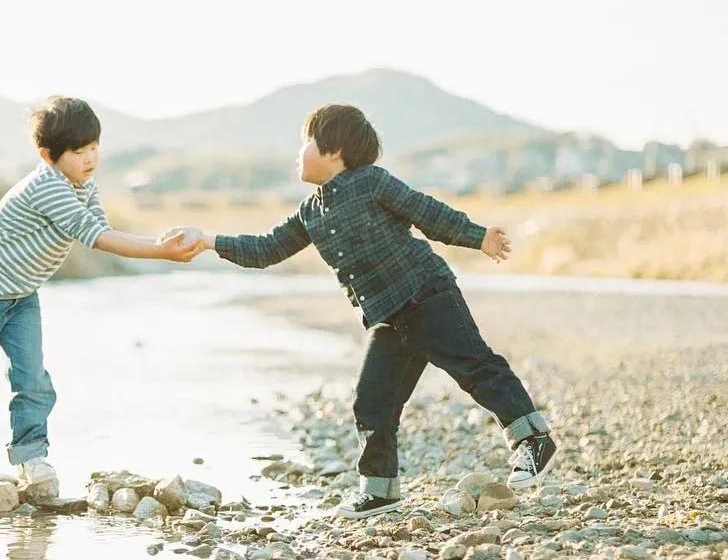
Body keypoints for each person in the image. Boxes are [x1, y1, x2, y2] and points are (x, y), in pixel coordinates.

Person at [166, 103, 557, 519]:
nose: (298, 152)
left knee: (475, 367)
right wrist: (207, 239)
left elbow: (426, 212)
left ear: (334, 150)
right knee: (372, 404)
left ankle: (532, 438)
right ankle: (380, 490)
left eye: (306, 143)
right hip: (388, 317)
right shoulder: (309, 212)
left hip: (427, 293)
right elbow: (265, 249)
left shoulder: (371, 182)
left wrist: (479, 237)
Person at [0, 96, 202, 495]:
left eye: (94, 148)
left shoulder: (83, 185)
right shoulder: (47, 187)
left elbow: (98, 226)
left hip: (20, 295)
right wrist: (160, 251)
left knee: (32, 377)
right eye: (78, 151)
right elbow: (96, 238)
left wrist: (156, 243)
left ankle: (31, 458)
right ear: (48, 154)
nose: (90, 158)